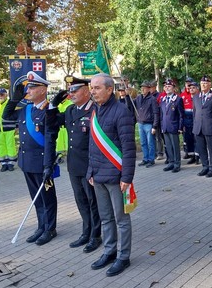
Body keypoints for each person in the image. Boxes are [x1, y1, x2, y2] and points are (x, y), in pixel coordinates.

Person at [87, 73, 136, 277]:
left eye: (97, 88)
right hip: (97, 176)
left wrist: (127, 177)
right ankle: (109, 251)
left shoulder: (121, 112)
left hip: (116, 177)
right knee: (106, 218)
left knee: (121, 219)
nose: (92, 91)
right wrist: (90, 171)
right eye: (92, 87)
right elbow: (92, 146)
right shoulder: (95, 111)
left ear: (109, 89)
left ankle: (123, 257)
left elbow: (129, 148)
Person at [46, 76, 102, 252]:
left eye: (74, 90)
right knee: (81, 201)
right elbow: (52, 122)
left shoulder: (95, 110)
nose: (71, 94)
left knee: (93, 201)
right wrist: (53, 105)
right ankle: (86, 232)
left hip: (90, 164)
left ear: (86, 91)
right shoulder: (70, 110)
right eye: (69, 91)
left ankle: (96, 235)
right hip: (74, 165)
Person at [3, 71, 58, 245]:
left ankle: (50, 229)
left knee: (47, 197)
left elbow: (50, 140)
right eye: (28, 87)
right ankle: (41, 226)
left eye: (33, 87)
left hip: (42, 162)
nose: (29, 90)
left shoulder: (49, 111)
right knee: (35, 196)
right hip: (27, 161)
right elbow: (6, 116)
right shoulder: (26, 109)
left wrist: (48, 165)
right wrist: (14, 99)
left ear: (43, 90)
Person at [193, 75, 212, 177]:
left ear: (210, 84)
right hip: (198, 128)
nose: (203, 85)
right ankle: (205, 166)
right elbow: (195, 112)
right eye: (202, 83)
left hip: (210, 127)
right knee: (201, 149)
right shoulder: (196, 96)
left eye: (205, 83)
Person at [0, 88, 17, 172]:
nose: (0, 96)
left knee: (10, 145)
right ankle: (3, 164)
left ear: (6, 95)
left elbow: (16, 116)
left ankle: (11, 163)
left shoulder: (10, 103)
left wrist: (17, 127)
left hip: (9, 129)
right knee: (0, 146)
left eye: (2, 94)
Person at [159, 79, 184, 173]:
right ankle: (171, 162)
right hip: (165, 126)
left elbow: (181, 115)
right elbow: (161, 114)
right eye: (165, 86)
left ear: (174, 88)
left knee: (175, 146)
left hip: (174, 126)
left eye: (169, 86)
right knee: (168, 146)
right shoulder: (163, 99)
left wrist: (180, 127)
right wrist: (161, 126)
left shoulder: (178, 99)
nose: (167, 88)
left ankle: (177, 164)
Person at [134, 80, 159, 168]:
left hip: (149, 124)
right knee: (143, 143)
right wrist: (126, 96)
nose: (143, 89)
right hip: (140, 123)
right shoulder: (139, 98)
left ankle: (151, 159)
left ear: (149, 89)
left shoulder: (152, 99)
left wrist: (154, 126)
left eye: (144, 88)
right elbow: (131, 104)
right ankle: (145, 158)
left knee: (150, 143)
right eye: (142, 88)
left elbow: (156, 113)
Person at [180, 77, 195, 161]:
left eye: (190, 84)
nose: (188, 86)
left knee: (195, 138)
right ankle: (189, 153)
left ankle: (196, 155)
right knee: (187, 138)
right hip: (186, 120)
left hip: (194, 119)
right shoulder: (182, 95)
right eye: (187, 84)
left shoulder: (196, 94)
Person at [150, 81, 166, 161]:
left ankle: (160, 153)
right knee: (152, 137)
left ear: (155, 87)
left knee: (158, 137)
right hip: (150, 119)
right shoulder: (148, 96)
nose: (150, 89)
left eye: (152, 87)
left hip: (158, 119)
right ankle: (155, 152)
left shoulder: (159, 95)